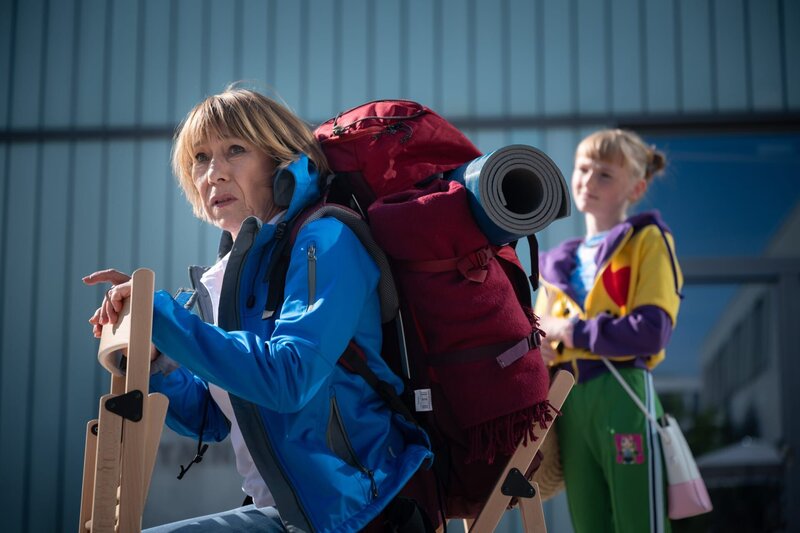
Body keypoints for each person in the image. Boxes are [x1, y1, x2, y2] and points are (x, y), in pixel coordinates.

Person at [84, 87, 433, 532]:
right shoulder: (225, 277)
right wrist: (157, 363)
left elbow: (289, 378)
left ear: (279, 159)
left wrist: (166, 318)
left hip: (358, 513)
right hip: (287, 514)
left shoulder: (324, 242)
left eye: (235, 150)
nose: (214, 173)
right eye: (200, 158)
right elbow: (214, 418)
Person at [534, 129, 683, 533]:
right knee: (587, 522)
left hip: (623, 394)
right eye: (583, 168)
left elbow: (652, 331)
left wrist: (571, 330)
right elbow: (541, 334)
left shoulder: (648, 241)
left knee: (640, 522)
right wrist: (541, 349)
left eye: (604, 174)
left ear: (636, 187)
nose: (587, 180)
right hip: (568, 402)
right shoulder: (551, 265)